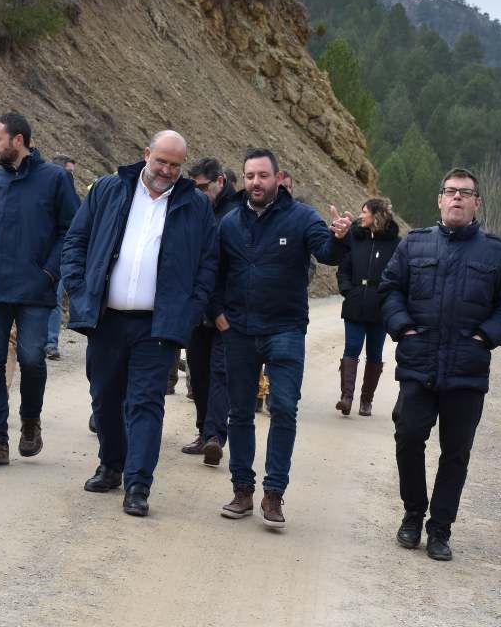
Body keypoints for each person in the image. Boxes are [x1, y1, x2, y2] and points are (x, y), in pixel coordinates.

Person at [62, 130, 218, 517]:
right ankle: (111, 465)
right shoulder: (109, 190)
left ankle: (138, 484)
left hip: (158, 326)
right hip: (106, 318)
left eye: (175, 165)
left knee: (146, 403)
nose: (166, 170)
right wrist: (80, 290)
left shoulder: (194, 206)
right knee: (104, 398)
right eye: (161, 161)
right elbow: (75, 242)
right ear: (146, 154)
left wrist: (189, 309)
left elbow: (208, 264)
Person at [378, 167, 501, 561]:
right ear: (439, 200)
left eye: (465, 192)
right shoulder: (414, 245)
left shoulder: (497, 252)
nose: (457, 197)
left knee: (455, 453)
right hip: (418, 364)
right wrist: (403, 327)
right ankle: (412, 514)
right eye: (450, 191)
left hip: (467, 371)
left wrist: (485, 337)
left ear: (477, 203)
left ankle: (440, 529)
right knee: (408, 437)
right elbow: (390, 289)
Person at [215, 148, 352, 529]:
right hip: (238, 330)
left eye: (262, 175)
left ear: (278, 178)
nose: (255, 182)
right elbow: (214, 271)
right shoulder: (229, 223)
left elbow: (326, 252)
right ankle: (242, 490)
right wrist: (218, 314)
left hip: (285, 329)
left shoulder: (301, 218)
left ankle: (274, 494)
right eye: (250, 176)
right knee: (240, 412)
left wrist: (341, 237)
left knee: (285, 409)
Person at [0, 112, 79, 468]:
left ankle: (30, 422)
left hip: (35, 289)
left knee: (31, 359)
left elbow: (71, 230)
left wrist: (49, 272)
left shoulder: (55, 179)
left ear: (18, 140)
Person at [181, 156, 244, 466]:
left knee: (220, 373)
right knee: (199, 374)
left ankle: (215, 436)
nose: (199, 192)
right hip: (198, 307)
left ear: (220, 181)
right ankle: (204, 432)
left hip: (227, 310)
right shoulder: (196, 208)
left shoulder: (238, 213)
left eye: (203, 187)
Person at [335, 198, 400, 417]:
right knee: (351, 349)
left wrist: (388, 298)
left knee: (375, 354)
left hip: (379, 307)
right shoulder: (355, 238)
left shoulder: (395, 243)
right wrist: (347, 290)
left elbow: (399, 275)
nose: (360, 215)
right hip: (355, 303)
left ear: (377, 215)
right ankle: (346, 398)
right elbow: (343, 268)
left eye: (364, 212)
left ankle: (366, 401)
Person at [45, 154, 79, 360]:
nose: (71, 177)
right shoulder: (42, 192)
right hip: (36, 257)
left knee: (54, 299)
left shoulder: (70, 196)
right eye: (69, 172)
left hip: (58, 258)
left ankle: (50, 343)